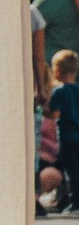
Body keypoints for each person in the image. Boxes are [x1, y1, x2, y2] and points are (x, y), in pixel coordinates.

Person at [49, 50, 79, 214]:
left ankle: (75, 203)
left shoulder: (59, 92)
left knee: (72, 172)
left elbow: (55, 114)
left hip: (67, 137)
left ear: (58, 70)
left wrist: (43, 109)